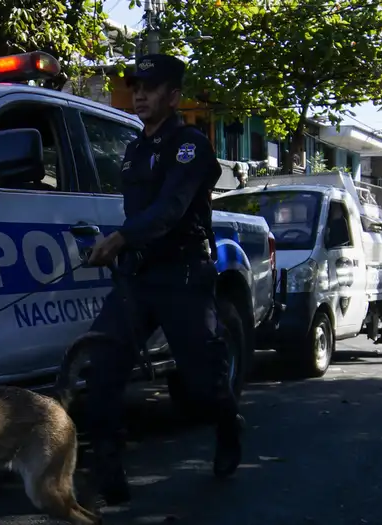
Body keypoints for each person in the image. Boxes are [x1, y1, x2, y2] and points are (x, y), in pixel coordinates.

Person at [82, 53, 244, 504]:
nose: (139, 94)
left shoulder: (190, 145)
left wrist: (119, 239)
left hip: (183, 278)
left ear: (173, 96)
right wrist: (120, 246)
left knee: (201, 387)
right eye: (135, 86)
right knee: (102, 370)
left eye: (150, 88)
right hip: (136, 278)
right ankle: (109, 473)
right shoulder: (135, 148)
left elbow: (170, 210)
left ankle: (228, 424)